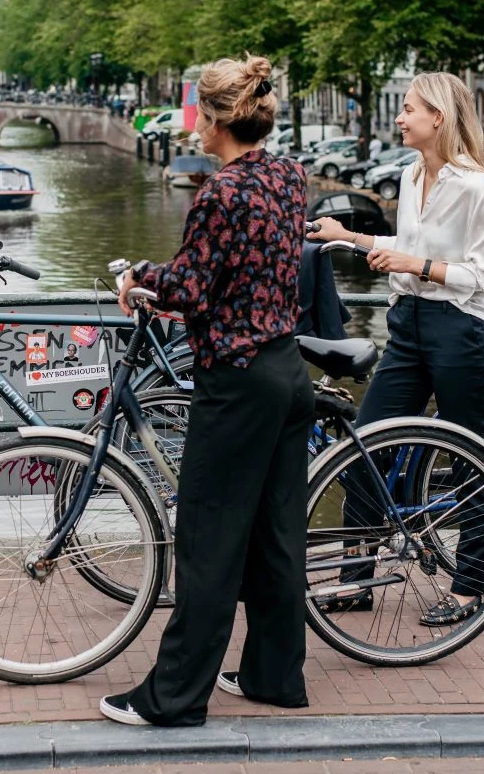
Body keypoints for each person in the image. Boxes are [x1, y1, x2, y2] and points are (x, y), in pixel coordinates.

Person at [102, 55, 315, 728]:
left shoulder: (220, 194)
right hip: (288, 369)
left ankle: (174, 697)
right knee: (276, 535)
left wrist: (136, 274)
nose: (191, 123)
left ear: (217, 118)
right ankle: (275, 675)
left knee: (207, 537)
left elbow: (189, 287)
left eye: (196, 110)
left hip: (239, 381)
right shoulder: (288, 175)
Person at [308, 71, 484, 626]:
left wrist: (415, 266)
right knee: (365, 449)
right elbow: (408, 247)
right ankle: (357, 581)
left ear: (438, 118)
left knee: (472, 460)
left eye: (408, 108)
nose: (400, 117)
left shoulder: (478, 191)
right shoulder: (410, 174)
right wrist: (348, 236)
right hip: (408, 326)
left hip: (459, 332)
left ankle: (470, 589)